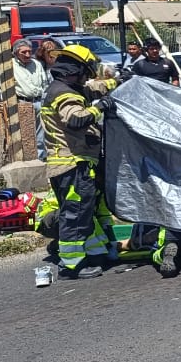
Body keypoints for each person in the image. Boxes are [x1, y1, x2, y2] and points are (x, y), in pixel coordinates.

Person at [41, 44, 117, 279]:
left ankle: (95, 254)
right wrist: (99, 108)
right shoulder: (64, 94)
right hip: (72, 165)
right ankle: (72, 265)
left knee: (85, 213)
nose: (87, 77)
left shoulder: (66, 88)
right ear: (75, 70)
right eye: (85, 72)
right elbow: (75, 120)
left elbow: (94, 88)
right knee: (75, 216)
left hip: (74, 164)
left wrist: (117, 82)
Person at [12, 39, 51, 160]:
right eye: (24, 52)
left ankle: (40, 158)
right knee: (25, 132)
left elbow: (45, 83)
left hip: (38, 101)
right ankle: (27, 158)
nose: (28, 55)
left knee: (40, 133)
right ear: (16, 53)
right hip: (22, 102)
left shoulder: (36, 64)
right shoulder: (10, 65)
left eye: (29, 51)